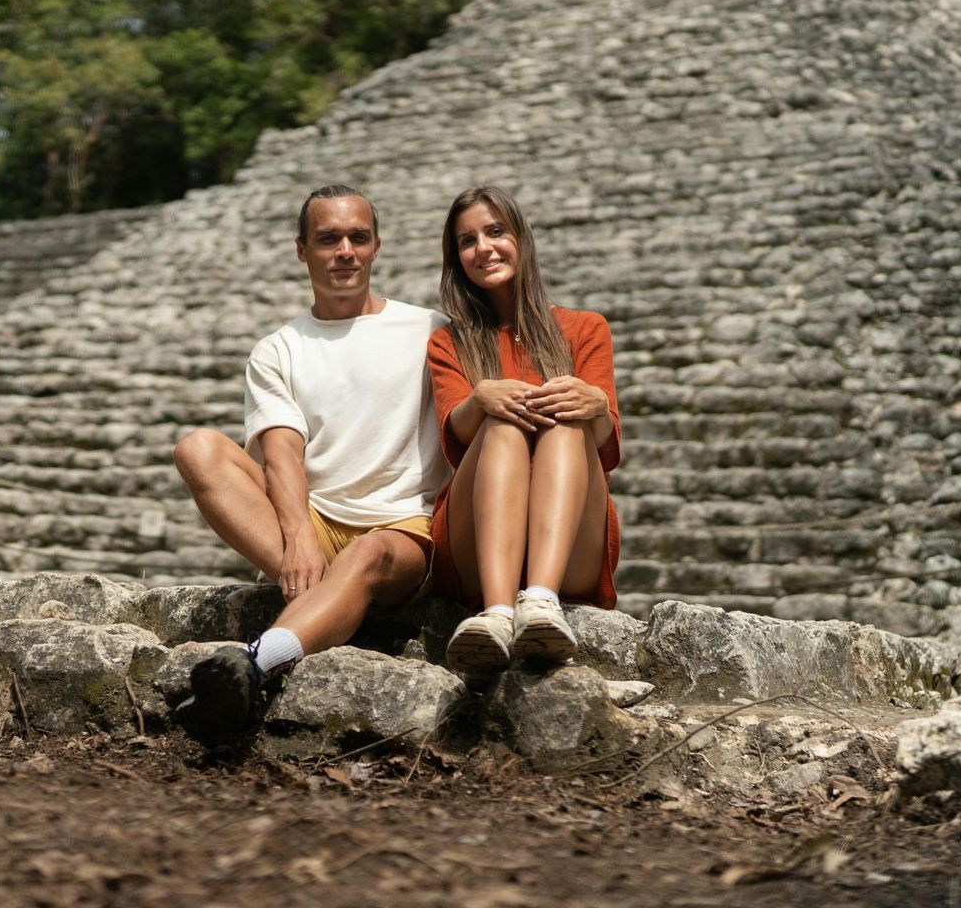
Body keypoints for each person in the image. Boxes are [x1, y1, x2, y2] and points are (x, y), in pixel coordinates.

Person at [170, 184, 450, 741]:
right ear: (302, 249)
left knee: (369, 550)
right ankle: (327, 601)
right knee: (197, 448)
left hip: (403, 529)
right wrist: (298, 534)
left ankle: (256, 661)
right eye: (328, 239)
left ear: (376, 247)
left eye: (357, 237)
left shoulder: (432, 330)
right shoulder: (278, 348)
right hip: (316, 523)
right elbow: (281, 452)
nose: (344, 250)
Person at [425, 184, 622, 674]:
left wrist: (597, 406)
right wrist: (480, 400)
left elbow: (605, 444)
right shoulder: (448, 342)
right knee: (502, 424)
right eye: (467, 241)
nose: (483, 248)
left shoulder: (586, 328)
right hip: (478, 543)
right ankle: (495, 613)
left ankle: (539, 599)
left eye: (496, 232)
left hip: (570, 542)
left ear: (521, 238)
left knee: (567, 416)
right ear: (456, 258)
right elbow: (456, 436)